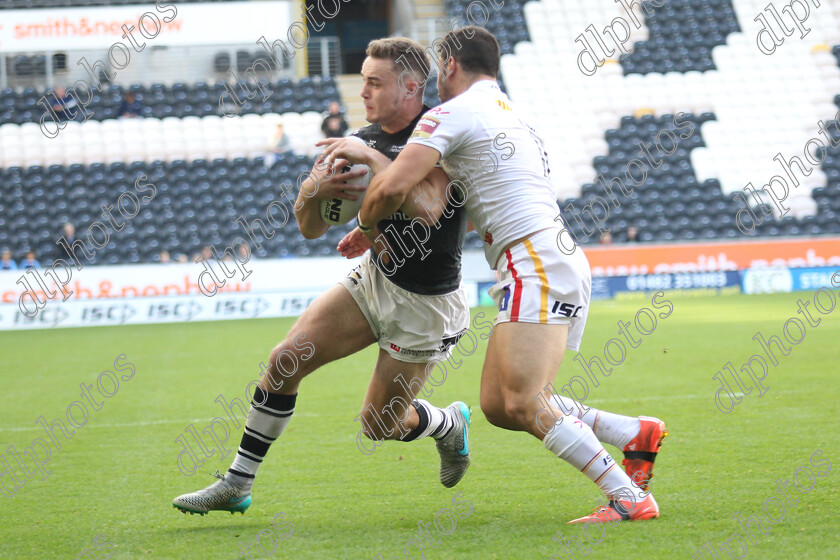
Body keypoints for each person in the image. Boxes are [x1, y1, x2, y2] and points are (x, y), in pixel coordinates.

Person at [323, 26, 667, 524]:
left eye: (440, 68)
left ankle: (629, 497)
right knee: (498, 405)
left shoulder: (451, 113)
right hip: (541, 257)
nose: (438, 79)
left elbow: (393, 186)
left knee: (524, 400)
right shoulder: (509, 114)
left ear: (451, 67)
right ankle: (634, 433)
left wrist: (365, 218)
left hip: (535, 262)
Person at [173, 37, 473, 516]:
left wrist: (367, 167)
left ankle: (447, 424)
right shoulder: (363, 139)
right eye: (364, 81)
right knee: (285, 360)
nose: (365, 92)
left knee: (378, 425)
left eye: (376, 82)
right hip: (376, 281)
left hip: (426, 303)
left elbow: (426, 210)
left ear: (413, 85)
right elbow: (311, 227)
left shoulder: (441, 133)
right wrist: (314, 189)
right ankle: (236, 483)